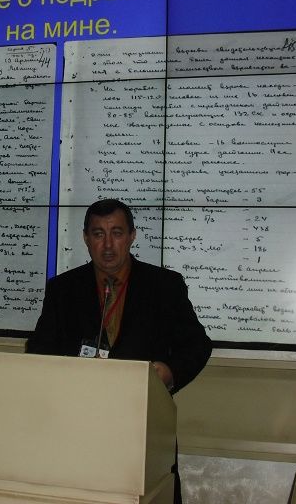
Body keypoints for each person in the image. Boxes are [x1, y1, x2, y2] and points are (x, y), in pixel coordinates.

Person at [27, 199, 212, 504]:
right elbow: (39, 350)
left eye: (117, 233)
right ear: (86, 238)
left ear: (132, 236)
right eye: (98, 234)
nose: (108, 245)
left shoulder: (165, 286)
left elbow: (197, 344)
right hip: (77, 426)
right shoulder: (63, 289)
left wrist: (169, 372)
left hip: (143, 425)